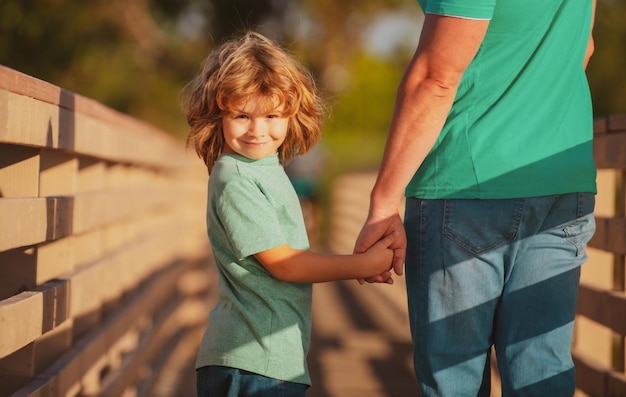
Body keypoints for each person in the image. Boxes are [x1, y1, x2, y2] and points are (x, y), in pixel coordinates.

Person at [355, 0, 597, 395]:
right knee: (543, 373)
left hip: (467, 183)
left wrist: (383, 204)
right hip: (562, 179)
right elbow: (582, 47)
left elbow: (435, 78)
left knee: (455, 381)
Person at [184, 31, 396, 397]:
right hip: (250, 362)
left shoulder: (267, 166)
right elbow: (285, 264)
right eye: (241, 115)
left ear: (291, 114)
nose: (257, 130)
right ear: (218, 113)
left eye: (271, 115)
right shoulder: (234, 177)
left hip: (267, 360)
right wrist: (361, 265)